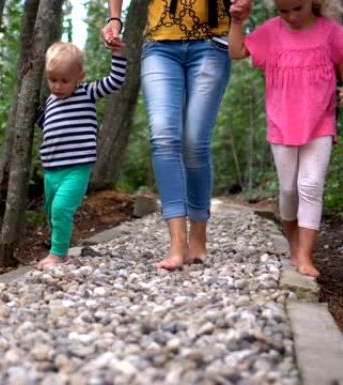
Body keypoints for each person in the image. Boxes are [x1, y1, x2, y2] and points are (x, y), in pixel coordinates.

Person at [102, 0, 252, 270]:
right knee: (163, 136)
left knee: (195, 142)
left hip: (212, 43)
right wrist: (115, 19)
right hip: (160, 44)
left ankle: (198, 236)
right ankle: (177, 242)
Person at [228, 0, 343, 277]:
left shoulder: (330, 32)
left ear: (314, 3)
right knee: (289, 190)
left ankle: (305, 255)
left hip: (320, 122)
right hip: (282, 124)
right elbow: (237, 51)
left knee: (310, 186)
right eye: (283, 11)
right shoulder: (271, 32)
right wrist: (237, 22)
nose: (289, 16)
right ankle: (293, 242)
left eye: (296, 9)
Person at [35, 42, 127, 270]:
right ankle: (58, 246)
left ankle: (58, 254)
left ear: (79, 77)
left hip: (76, 168)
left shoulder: (87, 92)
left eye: (64, 80)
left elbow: (115, 80)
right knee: (51, 212)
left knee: (60, 209)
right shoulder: (51, 100)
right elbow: (51, 126)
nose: (57, 86)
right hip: (51, 169)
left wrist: (117, 53)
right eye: (52, 79)